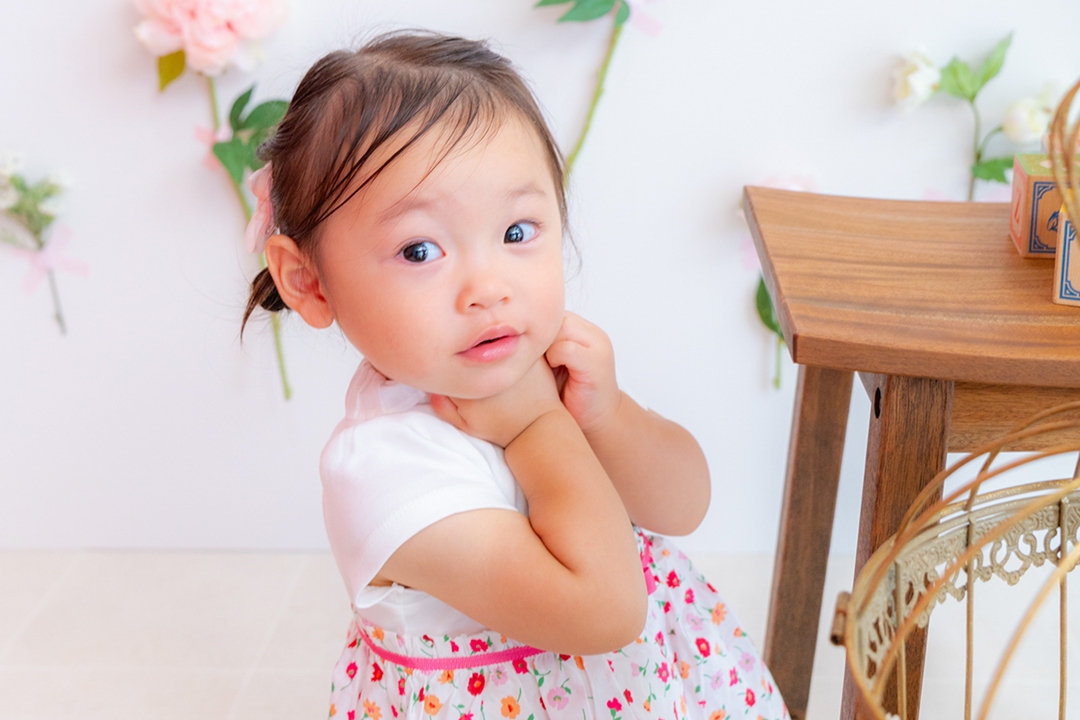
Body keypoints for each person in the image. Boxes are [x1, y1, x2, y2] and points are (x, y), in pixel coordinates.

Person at [241, 30, 788, 720]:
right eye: (420, 250)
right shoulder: (382, 469)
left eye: (517, 233)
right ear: (310, 282)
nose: (489, 288)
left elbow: (684, 505)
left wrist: (610, 416)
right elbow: (606, 611)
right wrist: (539, 427)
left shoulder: (545, 363)